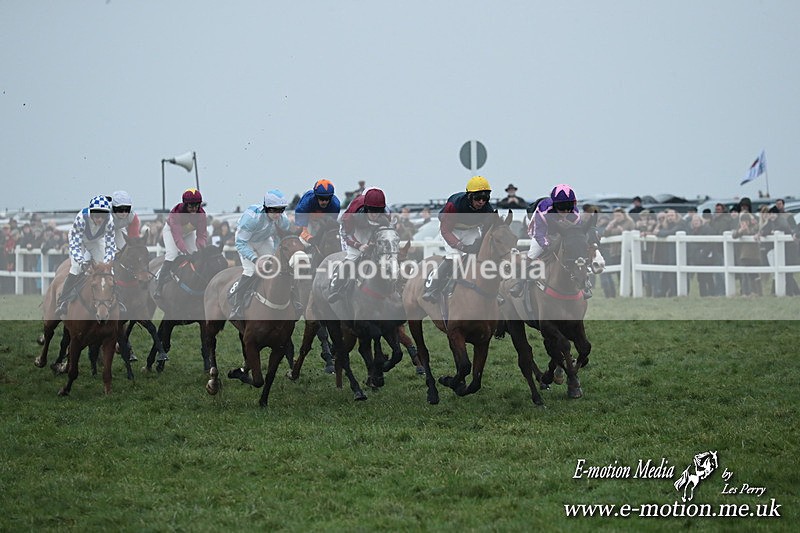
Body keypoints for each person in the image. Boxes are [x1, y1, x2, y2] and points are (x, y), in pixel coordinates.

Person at [422, 176, 494, 302]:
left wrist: (479, 244)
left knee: (480, 257)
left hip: (471, 229)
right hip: (451, 230)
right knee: (455, 258)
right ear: (470, 196)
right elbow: (445, 231)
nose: (481, 202)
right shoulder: (454, 206)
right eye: (478, 198)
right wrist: (462, 247)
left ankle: (491, 291)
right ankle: (433, 288)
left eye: (485, 198)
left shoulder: (488, 209)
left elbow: (488, 231)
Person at [228, 190, 291, 320]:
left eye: (281, 210)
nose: (278, 214)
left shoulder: (283, 220)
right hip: (246, 242)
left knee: (274, 268)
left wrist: (275, 255)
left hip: (264, 240)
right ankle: (237, 306)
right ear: (266, 207)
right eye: (274, 210)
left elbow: (281, 239)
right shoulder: (251, 219)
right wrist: (256, 260)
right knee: (251, 270)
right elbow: (240, 243)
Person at [525, 184, 595, 298]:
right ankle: (521, 282)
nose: (566, 211)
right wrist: (548, 246)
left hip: (564, 233)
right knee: (533, 253)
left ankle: (584, 281)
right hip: (543, 231)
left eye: (568, 207)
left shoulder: (575, 214)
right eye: (562, 207)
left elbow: (577, 234)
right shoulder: (543, 211)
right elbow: (539, 234)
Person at [55, 195, 116, 316]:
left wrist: (107, 263)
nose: (100, 219)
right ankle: (63, 300)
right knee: (76, 268)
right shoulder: (81, 218)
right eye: (97, 216)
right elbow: (75, 245)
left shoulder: (109, 221)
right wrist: (81, 261)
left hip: (96, 241)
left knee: (109, 271)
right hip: (79, 240)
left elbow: (110, 246)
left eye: (103, 216)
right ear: (91, 213)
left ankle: (116, 300)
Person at [328, 187, 390, 303]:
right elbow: (347, 235)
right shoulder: (352, 215)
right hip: (353, 230)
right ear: (366, 207)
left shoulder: (386, 215)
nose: (375, 214)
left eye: (378, 210)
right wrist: (359, 245)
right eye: (371, 210)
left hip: (371, 229)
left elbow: (386, 233)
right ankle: (336, 288)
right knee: (353, 256)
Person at [153, 188, 208, 300]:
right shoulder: (176, 212)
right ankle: (159, 286)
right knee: (172, 254)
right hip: (171, 232)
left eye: (196, 205)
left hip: (188, 233)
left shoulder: (201, 214)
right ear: (185, 204)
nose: (194, 209)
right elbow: (177, 237)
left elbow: (201, 236)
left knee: (195, 254)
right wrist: (185, 251)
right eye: (191, 206)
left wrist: (201, 249)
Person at [294, 179, 341, 245]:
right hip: (307, 221)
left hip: (322, 221)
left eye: (328, 198)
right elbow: (301, 230)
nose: (324, 201)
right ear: (316, 196)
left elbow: (331, 227)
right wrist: (309, 239)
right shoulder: (305, 203)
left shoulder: (335, 205)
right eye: (321, 198)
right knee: (303, 242)